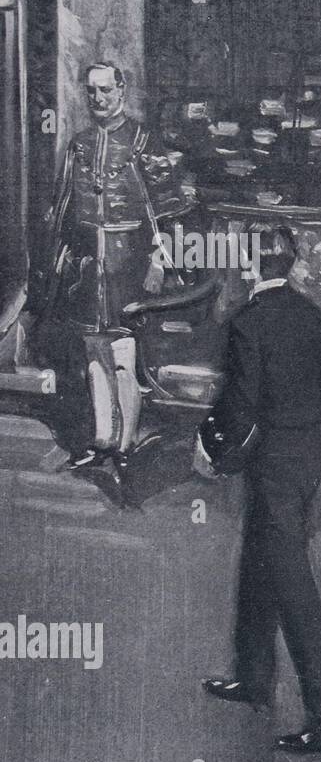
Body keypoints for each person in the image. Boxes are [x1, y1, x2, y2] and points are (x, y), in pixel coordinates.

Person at [200, 227, 321, 755]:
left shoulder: (248, 321)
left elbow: (241, 403)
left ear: (249, 265)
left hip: (271, 462)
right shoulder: (311, 316)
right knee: (259, 562)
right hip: (306, 455)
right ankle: (253, 677)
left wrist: (217, 454)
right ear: (290, 264)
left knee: (292, 585)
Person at [44, 62, 190, 477]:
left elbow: (168, 211)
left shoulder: (143, 141)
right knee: (94, 356)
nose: (98, 98)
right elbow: (65, 207)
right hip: (89, 267)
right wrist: (64, 258)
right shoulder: (80, 144)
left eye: (105, 90)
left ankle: (126, 445)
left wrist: (158, 263)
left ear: (121, 90)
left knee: (124, 357)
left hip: (129, 265)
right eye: (91, 91)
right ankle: (102, 440)